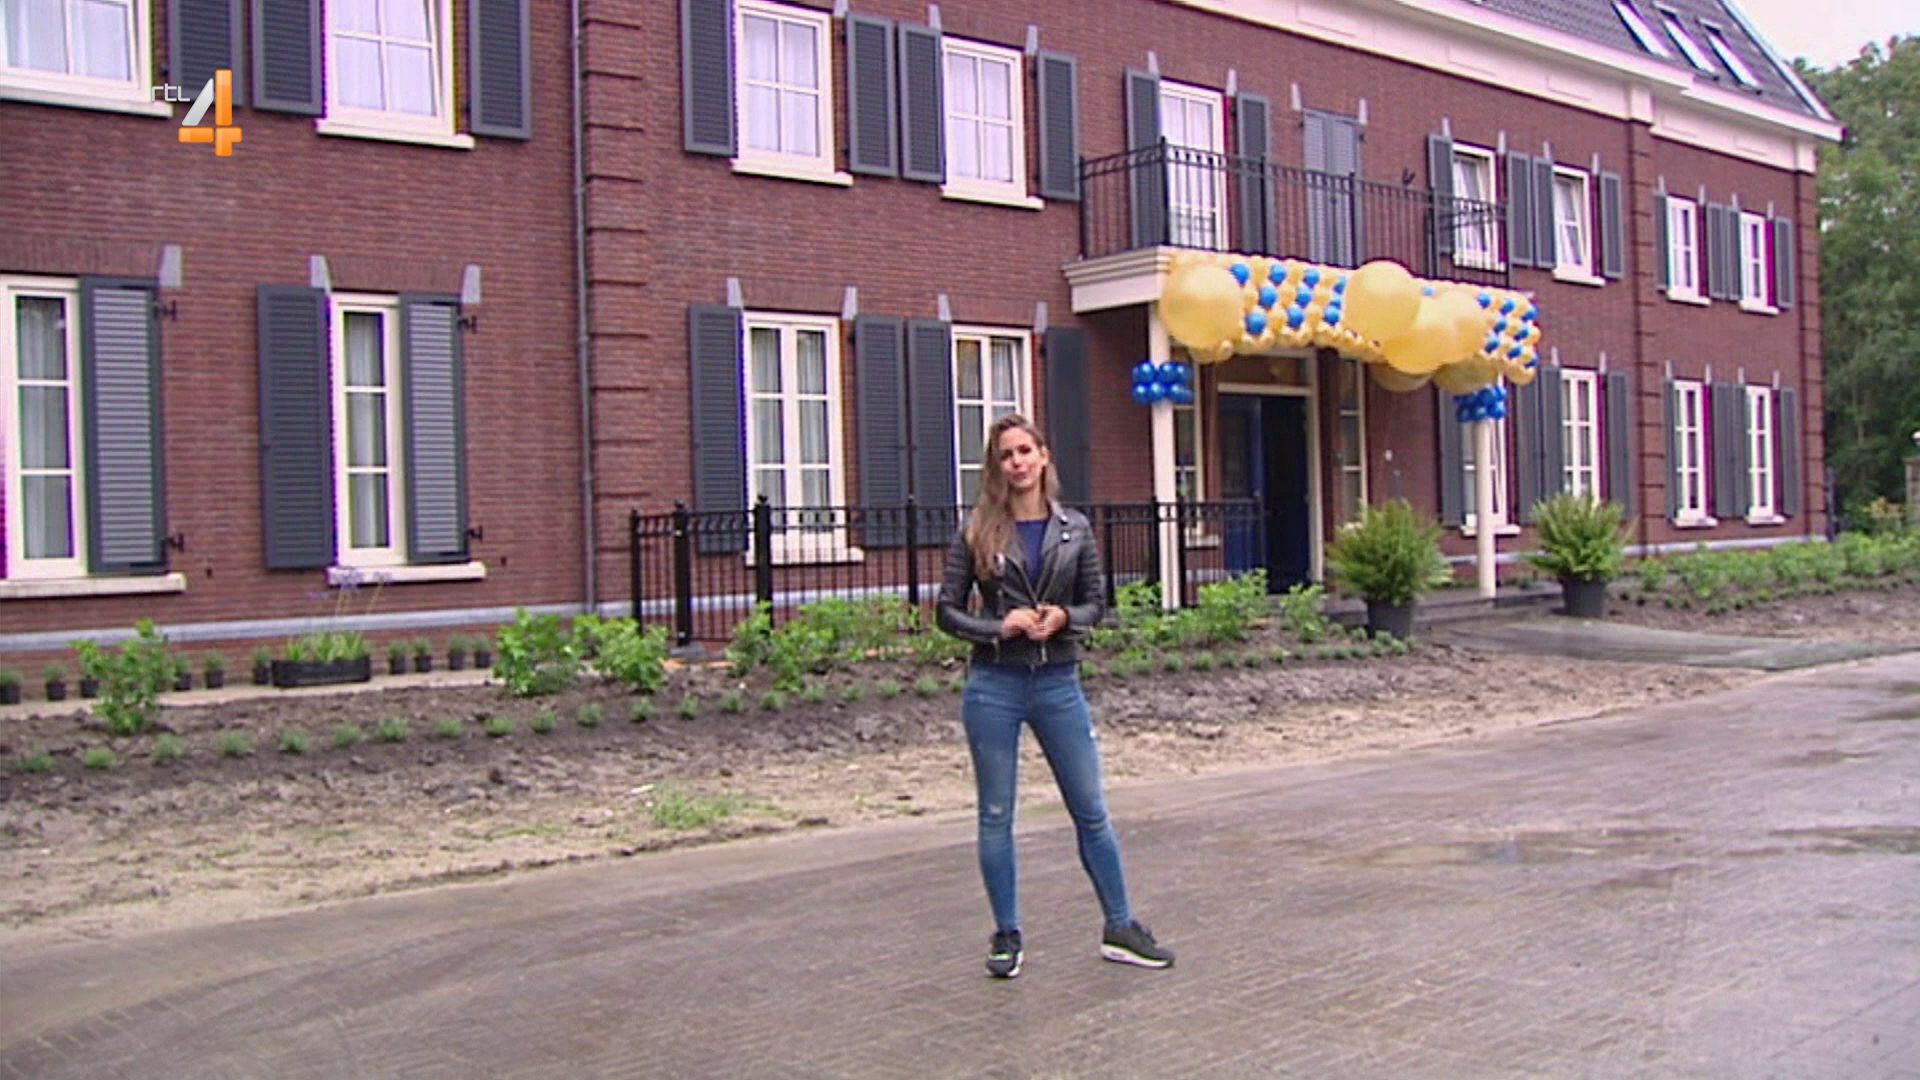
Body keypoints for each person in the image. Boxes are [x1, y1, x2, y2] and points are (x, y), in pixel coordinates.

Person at [936, 413, 1174, 979]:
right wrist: (1000, 626)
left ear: (1043, 456)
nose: (1017, 462)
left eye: (1025, 450)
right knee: (996, 813)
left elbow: (1098, 603)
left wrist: (1065, 617)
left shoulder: (1076, 529)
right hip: (995, 685)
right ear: (996, 466)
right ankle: (1007, 934)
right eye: (1006, 455)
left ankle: (1120, 926)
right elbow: (946, 610)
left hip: (1058, 682)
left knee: (1091, 808)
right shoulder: (978, 529)